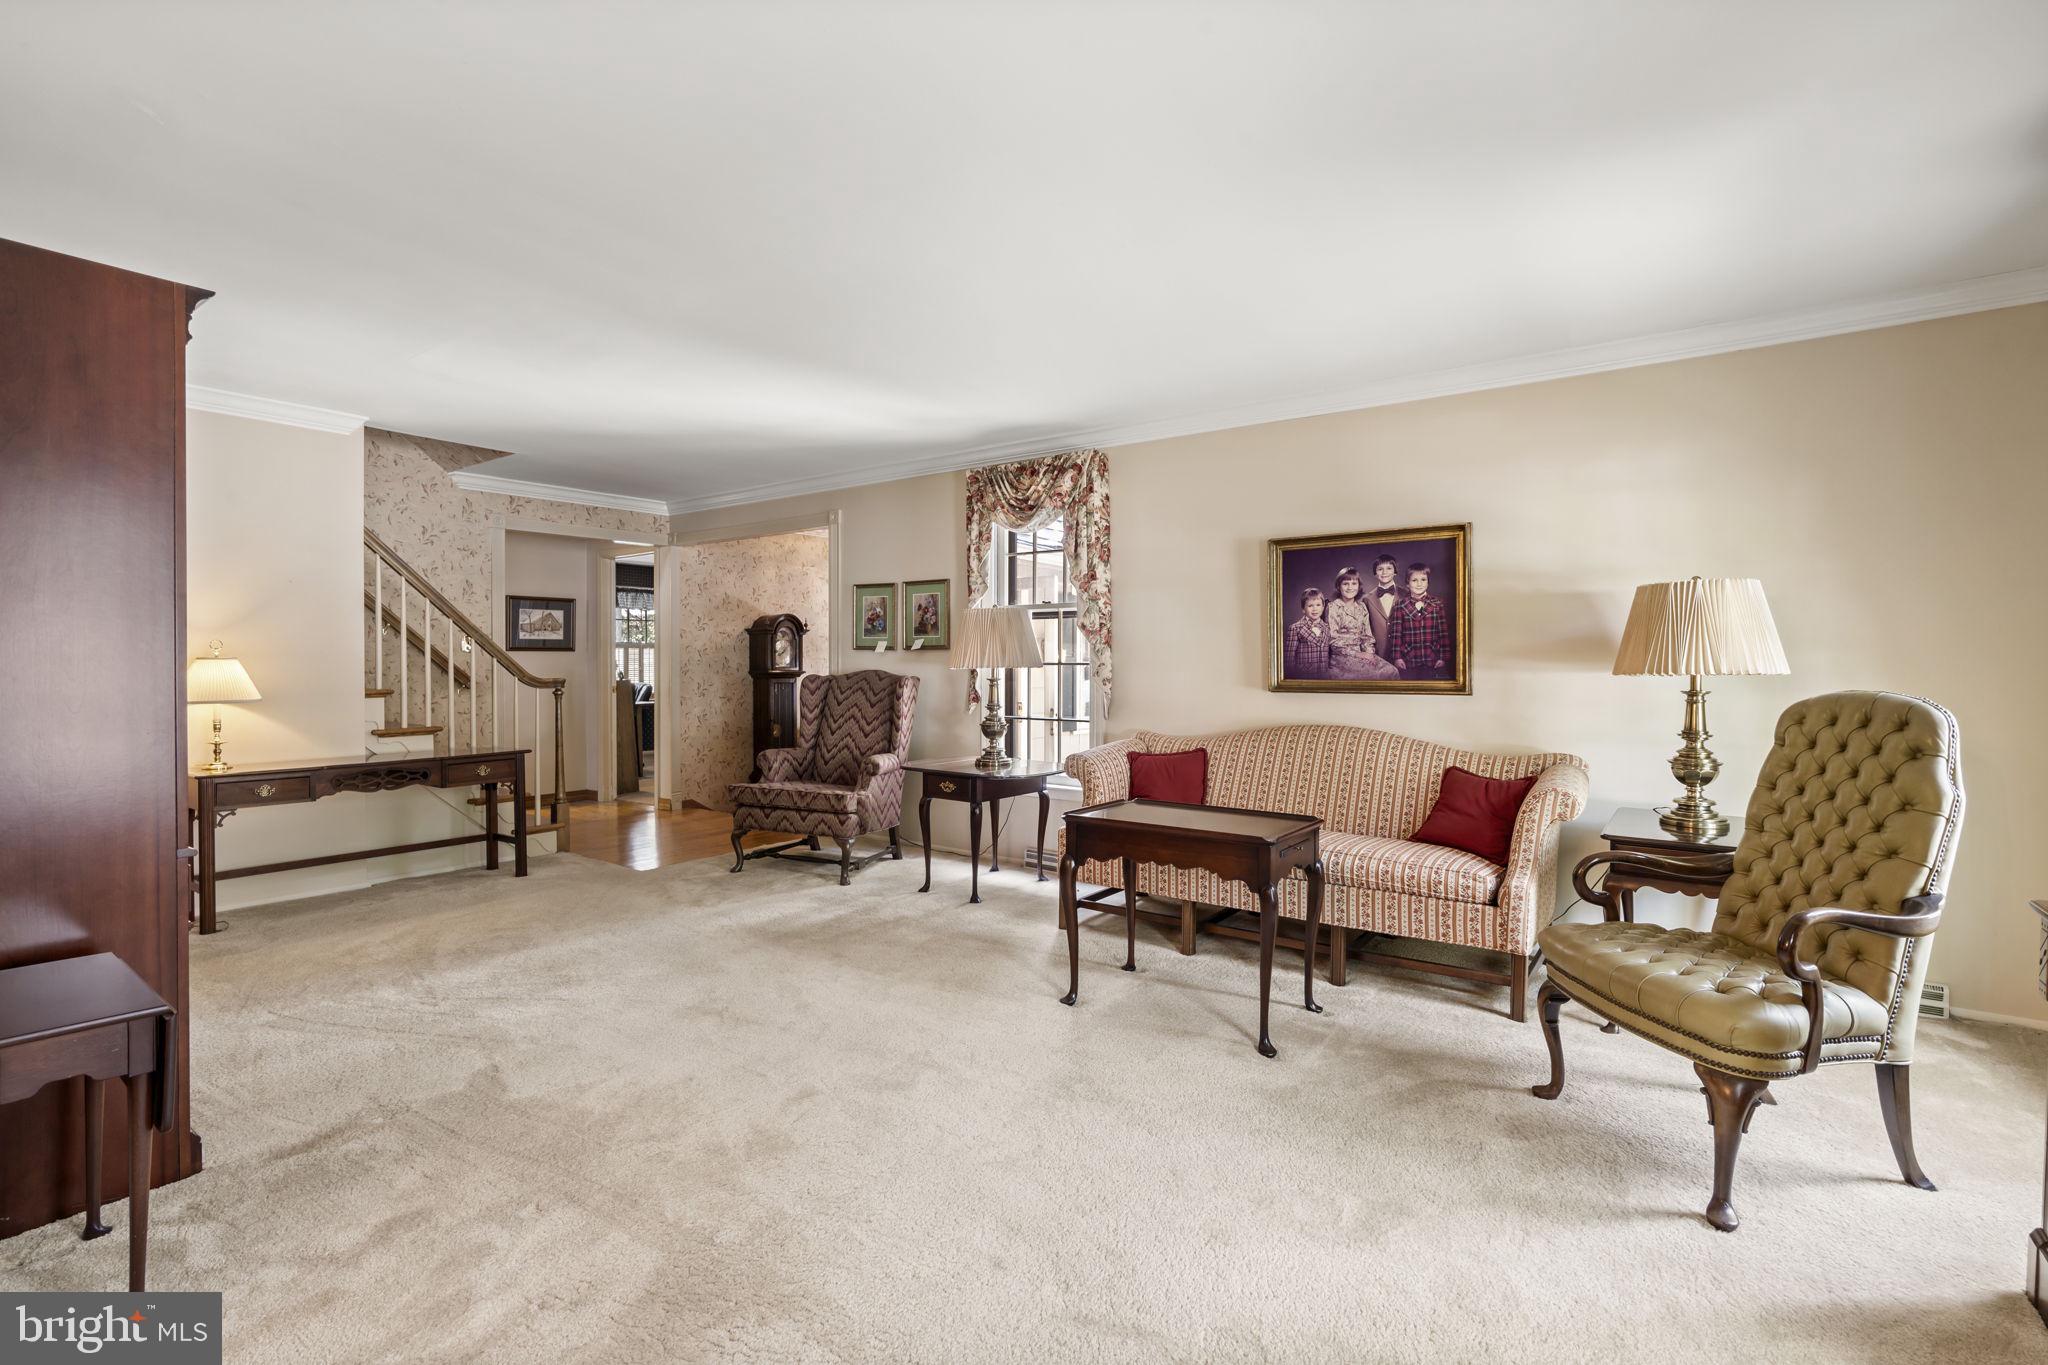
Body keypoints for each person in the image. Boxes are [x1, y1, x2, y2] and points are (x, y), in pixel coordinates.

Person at [1324, 567, 1400, 680]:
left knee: (1392, 671)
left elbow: (1367, 636)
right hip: (1342, 656)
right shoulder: (1333, 607)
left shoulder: (1362, 607)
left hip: (1362, 653)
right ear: (1339, 586)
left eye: (1354, 583)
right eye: (1345, 584)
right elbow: (1333, 640)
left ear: (1359, 587)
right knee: (1372, 675)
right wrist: (1358, 654)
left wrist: (1369, 654)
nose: (1350, 587)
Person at [1387, 563, 1452, 680]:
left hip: (1432, 656)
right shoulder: (1400, 605)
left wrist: (1443, 657)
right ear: (1407, 583)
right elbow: (1397, 634)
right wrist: (1397, 657)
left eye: (1423, 580)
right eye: (1414, 580)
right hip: (1408, 657)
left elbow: (1443, 632)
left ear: (1428, 582)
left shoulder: (1437, 603)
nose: (1419, 584)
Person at [1284, 587, 1332, 679]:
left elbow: (1329, 653)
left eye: (1318, 605)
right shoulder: (1295, 628)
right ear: (1303, 609)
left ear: (1323, 607)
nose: (1315, 609)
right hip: (1304, 677)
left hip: (1324, 676)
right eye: (1310, 606)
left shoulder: (1327, 627)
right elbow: (1289, 659)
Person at [1365, 554, 1401, 655]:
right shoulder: (1367, 599)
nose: (1384, 572)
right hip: (1378, 653)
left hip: (1402, 653)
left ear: (1395, 572)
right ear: (1375, 573)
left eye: (1389, 568)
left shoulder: (1406, 594)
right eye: (1380, 569)